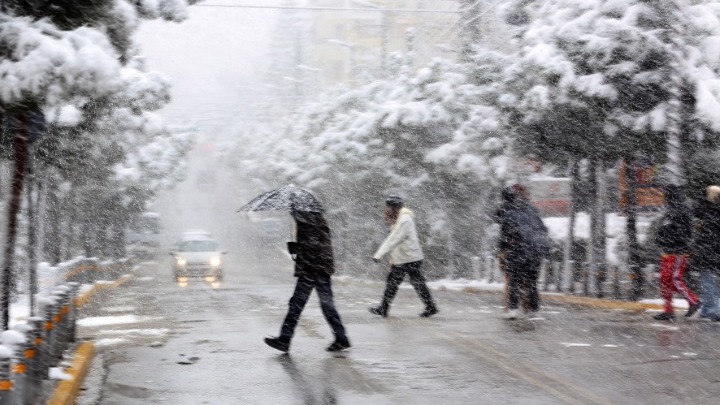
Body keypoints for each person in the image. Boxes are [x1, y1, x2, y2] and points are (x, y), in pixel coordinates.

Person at [264, 210, 351, 352]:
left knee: (298, 305)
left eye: (293, 208)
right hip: (317, 268)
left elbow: (313, 246)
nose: (291, 211)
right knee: (323, 305)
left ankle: (285, 339)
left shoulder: (309, 221)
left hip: (313, 269)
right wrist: (297, 248)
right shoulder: (311, 219)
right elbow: (315, 244)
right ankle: (341, 338)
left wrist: (297, 248)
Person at [369, 195, 438, 318]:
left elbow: (395, 238)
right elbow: (396, 235)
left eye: (389, 207)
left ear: (396, 207)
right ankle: (430, 307)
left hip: (408, 258)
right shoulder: (400, 218)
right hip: (406, 257)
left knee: (399, 283)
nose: (387, 210)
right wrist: (391, 221)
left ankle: (384, 309)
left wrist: (379, 254)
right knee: (411, 283)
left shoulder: (405, 219)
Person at [497, 185, 550, 319]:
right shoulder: (532, 209)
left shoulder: (508, 211)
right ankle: (534, 310)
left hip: (519, 250)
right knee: (532, 282)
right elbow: (543, 229)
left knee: (514, 280)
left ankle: (513, 310)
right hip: (536, 250)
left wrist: (503, 250)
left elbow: (505, 233)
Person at [652, 185, 700, 321]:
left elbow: (683, 233)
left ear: (670, 196)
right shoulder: (672, 210)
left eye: (666, 195)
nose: (664, 198)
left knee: (674, 279)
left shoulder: (681, 210)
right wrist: (661, 238)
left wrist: (665, 237)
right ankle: (668, 310)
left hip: (678, 252)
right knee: (664, 281)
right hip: (668, 251)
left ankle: (694, 301)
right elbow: (666, 229)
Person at [692, 185, 720, 321]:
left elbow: (696, 210)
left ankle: (713, 311)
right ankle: (709, 309)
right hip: (711, 252)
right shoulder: (713, 211)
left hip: (708, 252)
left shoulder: (713, 212)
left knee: (708, 282)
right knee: (709, 282)